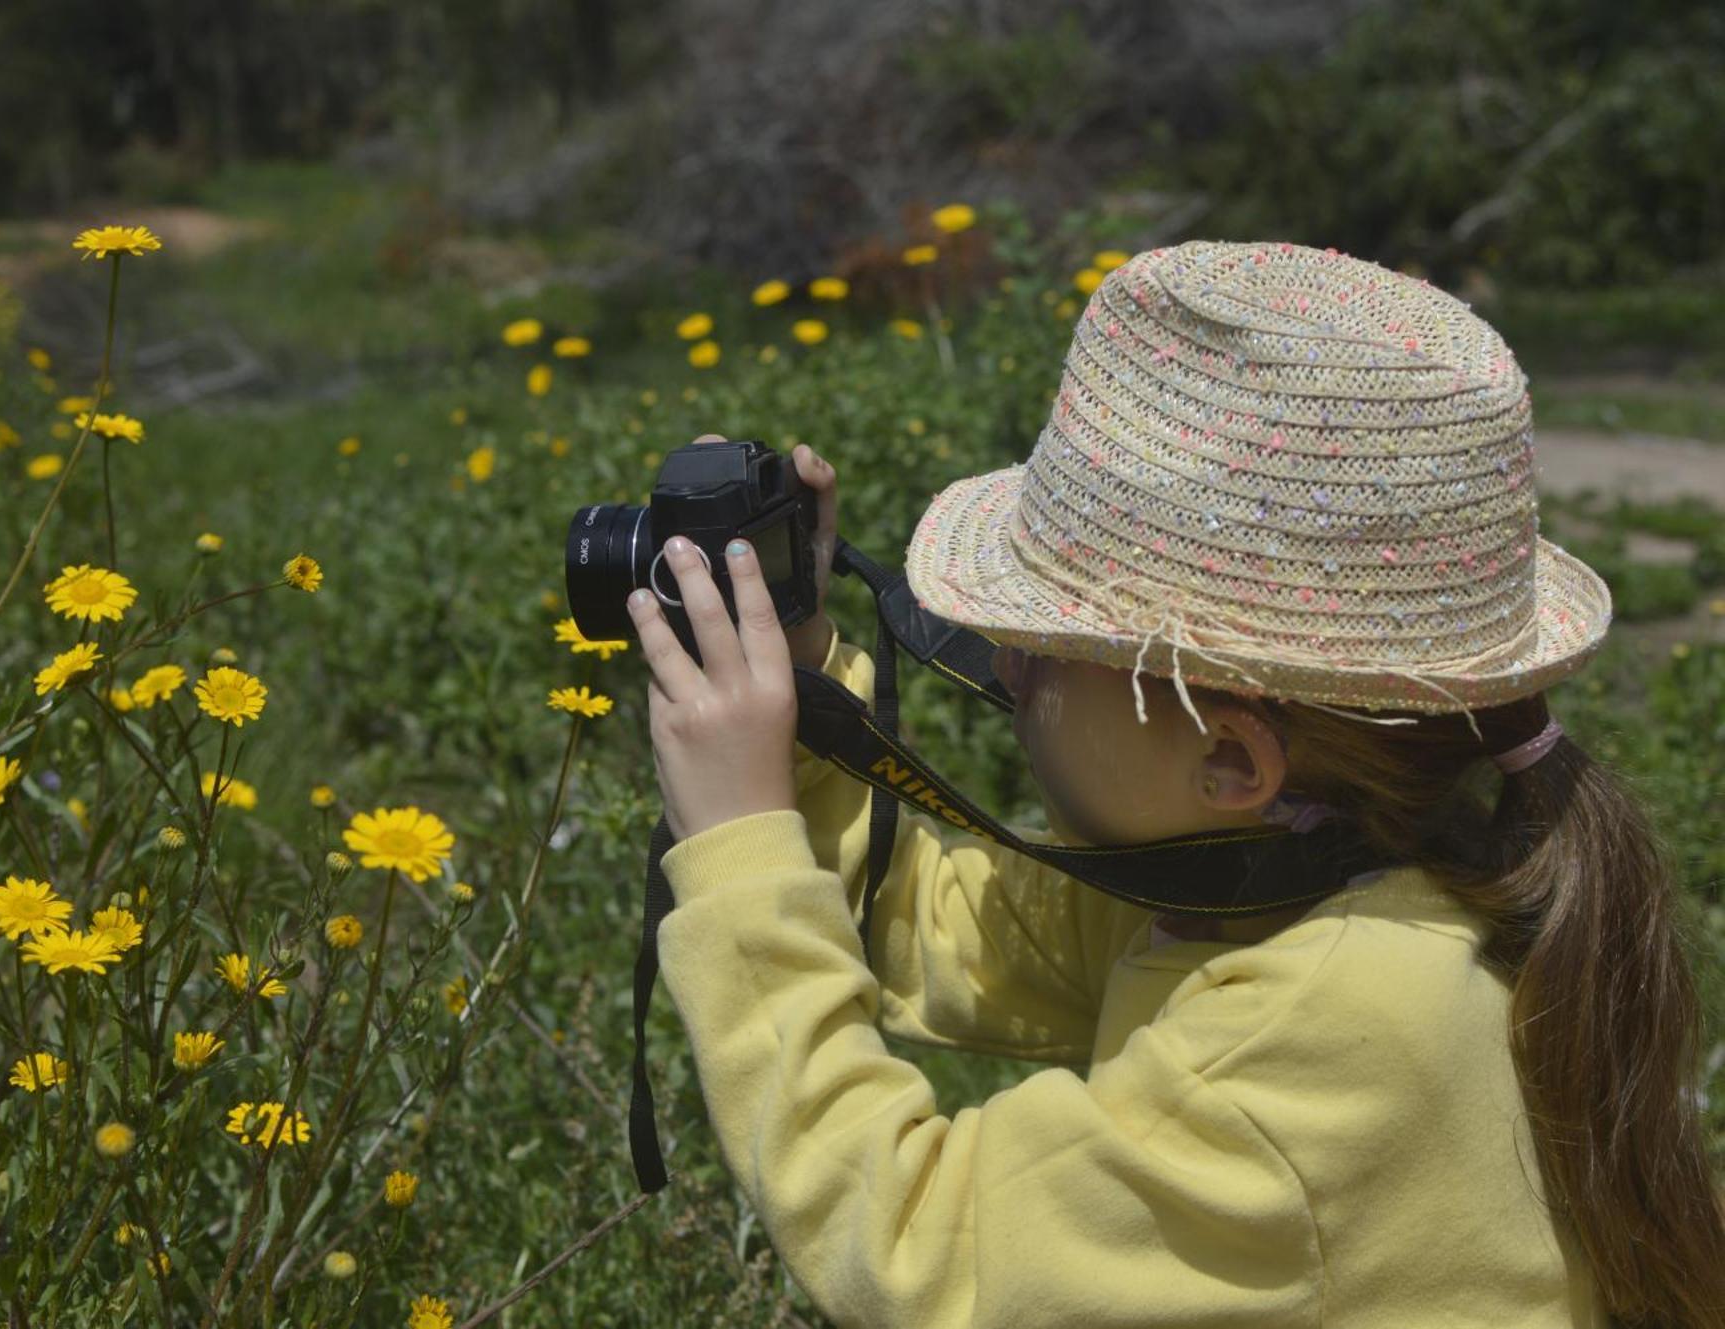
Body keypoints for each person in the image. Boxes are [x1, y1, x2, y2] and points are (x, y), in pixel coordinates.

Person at [624, 240, 1724, 1327]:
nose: (1002, 659)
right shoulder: (1314, 884)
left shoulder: (1333, 1024)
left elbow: (920, 1249)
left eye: (1046, 643)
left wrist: (736, 846)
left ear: (1231, 760)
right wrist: (809, 686)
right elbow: (933, 924)